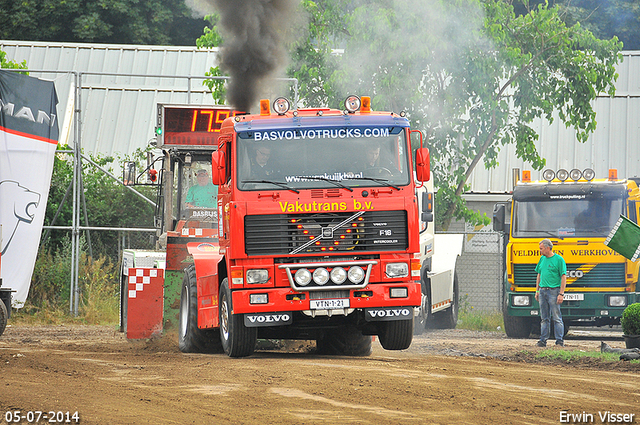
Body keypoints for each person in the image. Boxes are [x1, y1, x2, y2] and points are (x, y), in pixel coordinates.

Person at [534, 239, 567, 347]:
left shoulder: (559, 260)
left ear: (548, 248)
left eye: (541, 248)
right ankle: (543, 340)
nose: (540, 250)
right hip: (543, 291)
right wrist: (537, 290)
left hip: (554, 291)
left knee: (556, 317)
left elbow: (563, 277)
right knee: (544, 318)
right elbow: (539, 274)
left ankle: (559, 341)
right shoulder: (542, 259)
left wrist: (561, 293)